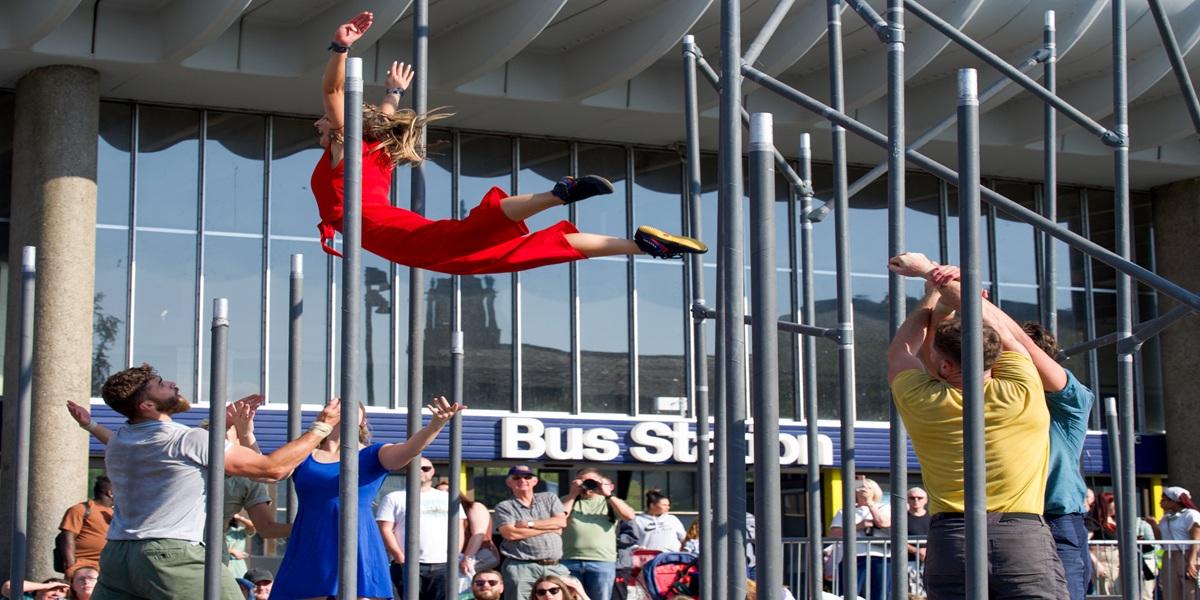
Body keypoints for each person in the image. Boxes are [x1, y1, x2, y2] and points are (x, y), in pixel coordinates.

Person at [311, 12, 707, 277]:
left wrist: (340, 47)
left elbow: (332, 89)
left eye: (325, 120)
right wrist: (394, 92)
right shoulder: (376, 148)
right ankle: (643, 246)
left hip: (402, 237)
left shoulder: (345, 149)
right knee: (517, 250)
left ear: (340, 128)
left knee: (478, 240)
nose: (319, 122)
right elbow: (379, 115)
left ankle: (561, 196)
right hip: (403, 232)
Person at [886, 252, 1067, 599]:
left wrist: (932, 299)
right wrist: (938, 276)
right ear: (995, 358)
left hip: (953, 540)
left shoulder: (921, 399)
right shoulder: (1020, 388)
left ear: (941, 368)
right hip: (1021, 536)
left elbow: (900, 351)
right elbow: (1008, 333)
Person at [79, 364, 342, 600]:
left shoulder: (121, 440)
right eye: (160, 385)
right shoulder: (186, 439)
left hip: (117, 557)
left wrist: (90, 425)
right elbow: (272, 469)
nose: (171, 383)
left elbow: (119, 438)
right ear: (146, 406)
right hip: (170, 554)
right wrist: (322, 426)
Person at [270, 397, 466, 599]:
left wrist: (435, 425)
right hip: (311, 539)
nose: (343, 409)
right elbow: (266, 469)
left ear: (363, 420)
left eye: (350, 406)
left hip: (357, 539)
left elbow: (409, 449)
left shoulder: (373, 454)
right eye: (336, 405)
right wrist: (246, 433)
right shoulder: (304, 455)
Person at [66, 397, 292, 572]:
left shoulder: (248, 480)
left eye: (225, 436)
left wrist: (312, 525)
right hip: (164, 546)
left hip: (207, 552)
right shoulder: (189, 461)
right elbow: (125, 443)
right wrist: (90, 425)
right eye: (213, 435)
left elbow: (267, 526)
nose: (218, 441)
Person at [375, 456, 467, 599]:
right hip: (408, 563)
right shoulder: (393, 497)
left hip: (443, 564)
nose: (421, 471)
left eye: (426, 468)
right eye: (416, 467)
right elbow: (385, 528)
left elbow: (459, 527)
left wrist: (455, 555)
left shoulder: (448, 498)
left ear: (432, 472)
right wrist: (400, 557)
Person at [493, 465, 570, 600]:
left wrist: (529, 525)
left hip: (555, 566)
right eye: (517, 477)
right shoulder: (504, 506)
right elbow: (511, 534)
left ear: (535, 481)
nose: (522, 480)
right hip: (521, 567)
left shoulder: (550, 498)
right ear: (509, 482)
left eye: (527, 477)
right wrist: (550, 528)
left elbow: (561, 522)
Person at [561, 469, 636, 600]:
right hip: (569, 559)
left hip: (602, 561)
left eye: (592, 482)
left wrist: (607, 494)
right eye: (584, 481)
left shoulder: (609, 502)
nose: (588, 485)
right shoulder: (567, 500)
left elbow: (629, 516)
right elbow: (559, 518)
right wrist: (573, 494)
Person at [828, 478, 891, 600]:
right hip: (854, 556)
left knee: (880, 593)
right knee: (850, 592)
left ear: (875, 491)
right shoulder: (845, 511)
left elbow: (884, 523)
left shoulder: (884, 507)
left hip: (881, 555)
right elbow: (834, 533)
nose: (863, 491)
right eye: (860, 488)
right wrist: (858, 526)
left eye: (868, 488)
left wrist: (870, 503)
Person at [56, 476, 114, 574]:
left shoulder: (116, 513)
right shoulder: (80, 509)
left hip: (107, 568)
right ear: (111, 493)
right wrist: (71, 567)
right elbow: (67, 538)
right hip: (83, 567)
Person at [1158, 486, 1200, 600]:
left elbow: (1195, 539)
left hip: (1186, 554)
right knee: (1170, 590)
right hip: (1168, 555)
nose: (1160, 502)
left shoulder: (1191, 514)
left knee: (1190, 590)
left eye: (1163, 499)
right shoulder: (1165, 518)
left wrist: (1191, 561)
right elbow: (1161, 539)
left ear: (1174, 501)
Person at [460, 492, 501, 582]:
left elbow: (478, 534)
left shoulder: (474, 507)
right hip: (455, 556)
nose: (444, 494)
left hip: (482, 553)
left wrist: (467, 558)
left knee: (458, 571)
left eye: (447, 491)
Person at [1086, 491, 1120, 595]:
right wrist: (1096, 563)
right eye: (1115, 503)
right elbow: (1085, 543)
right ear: (1107, 504)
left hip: (1117, 563)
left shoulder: (1115, 520)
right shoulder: (1093, 521)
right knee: (1108, 593)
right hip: (1104, 562)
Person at [906, 487, 931, 597]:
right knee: (913, 593)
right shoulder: (901, 517)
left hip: (931, 562)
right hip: (909, 563)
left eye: (919, 498)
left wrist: (927, 550)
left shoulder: (933, 517)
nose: (916, 500)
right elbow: (896, 539)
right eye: (912, 498)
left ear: (926, 500)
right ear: (907, 500)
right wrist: (916, 550)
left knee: (930, 592)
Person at [225, 514, 255, 579]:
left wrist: (240, 518)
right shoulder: (214, 532)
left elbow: (252, 526)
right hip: (222, 563)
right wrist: (231, 550)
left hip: (238, 565)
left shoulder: (238, 531)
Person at [1, 579, 70, 600]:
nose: (57, 594)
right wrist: (48, 585)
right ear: (39, 590)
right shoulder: (26, 597)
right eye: (53, 589)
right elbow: (8, 588)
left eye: (62, 592)